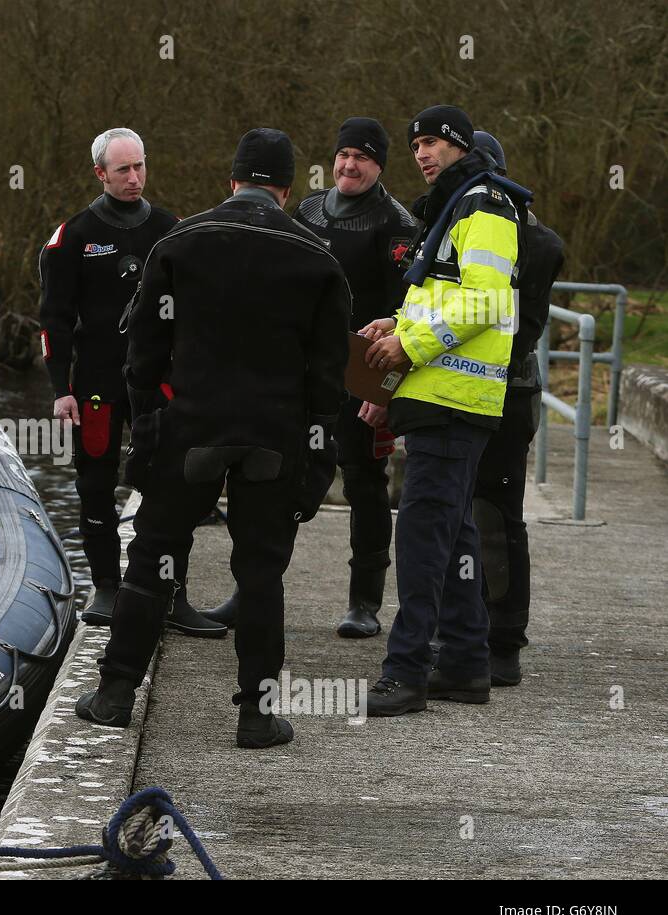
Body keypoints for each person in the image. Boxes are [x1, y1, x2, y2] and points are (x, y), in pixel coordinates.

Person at [74, 128, 351, 747]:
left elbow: (141, 353)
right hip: (273, 437)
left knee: (151, 564)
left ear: (232, 181)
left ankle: (115, 693)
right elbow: (329, 379)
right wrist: (316, 456)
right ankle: (256, 714)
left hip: (189, 430)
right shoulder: (317, 258)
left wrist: (148, 427)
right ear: (284, 188)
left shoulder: (179, 244)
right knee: (260, 574)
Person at [203, 118, 418, 639]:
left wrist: (387, 392)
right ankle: (249, 590)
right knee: (271, 478)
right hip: (296, 371)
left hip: (360, 375)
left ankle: (364, 601)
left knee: (366, 486)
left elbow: (410, 312)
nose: (349, 165)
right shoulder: (307, 209)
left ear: (380, 165)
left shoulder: (397, 224)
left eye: (362, 157)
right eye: (343, 155)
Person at [357, 106, 522, 716]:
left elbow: (486, 302)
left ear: (458, 145)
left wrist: (410, 344)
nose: (421, 154)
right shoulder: (458, 205)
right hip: (439, 396)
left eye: (431, 143)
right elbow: (444, 299)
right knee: (452, 533)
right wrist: (395, 326)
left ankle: (406, 672)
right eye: (415, 145)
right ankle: (463, 664)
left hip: (454, 398)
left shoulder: (484, 205)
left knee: (424, 536)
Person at [40, 128, 223, 638]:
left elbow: (197, 311)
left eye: (139, 166)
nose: (134, 177)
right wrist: (61, 389)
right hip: (96, 383)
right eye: (122, 169)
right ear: (100, 174)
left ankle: (172, 595)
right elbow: (53, 320)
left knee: (171, 487)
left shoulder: (171, 230)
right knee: (95, 484)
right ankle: (105, 586)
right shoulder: (73, 236)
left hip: (159, 384)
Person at [467, 130, 565, 686]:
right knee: (458, 515)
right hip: (460, 386)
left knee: (497, 515)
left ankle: (503, 638)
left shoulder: (539, 244)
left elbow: (518, 332)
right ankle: (466, 627)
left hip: (507, 390)